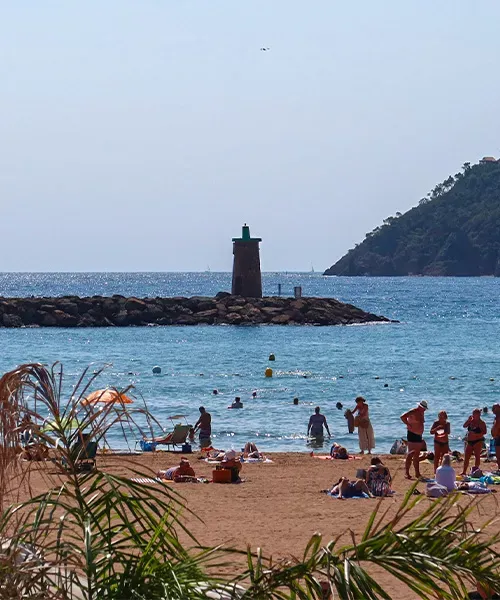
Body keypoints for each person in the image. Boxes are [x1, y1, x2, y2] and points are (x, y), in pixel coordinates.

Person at [400, 400, 428, 479]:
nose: (425, 410)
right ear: (420, 406)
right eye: (424, 408)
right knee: (410, 454)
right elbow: (402, 417)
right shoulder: (413, 411)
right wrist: (408, 424)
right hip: (412, 434)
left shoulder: (421, 413)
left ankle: (417, 473)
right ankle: (407, 472)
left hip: (419, 435)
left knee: (416, 455)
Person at [461, 408, 487, 476]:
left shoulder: (481, 423)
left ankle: (476, 470)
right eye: (473, 414)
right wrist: (468, 420)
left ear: (479, 415)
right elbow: (464, 426)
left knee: (477, 456)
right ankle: (464, 471)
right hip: (469, 441)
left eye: (475, 414)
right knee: (466, 456)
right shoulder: (471, 421)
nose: (474, 415)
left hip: (477, 441)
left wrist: (475, 434)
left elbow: (484, 432)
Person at [491, 403, 500, 471]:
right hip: (497, 437)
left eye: (494, 408)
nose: (493, 409)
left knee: (499, 455)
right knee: (498, 455)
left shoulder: (498, 417)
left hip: (498, 437)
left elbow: (497, 427)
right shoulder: (496, 417)